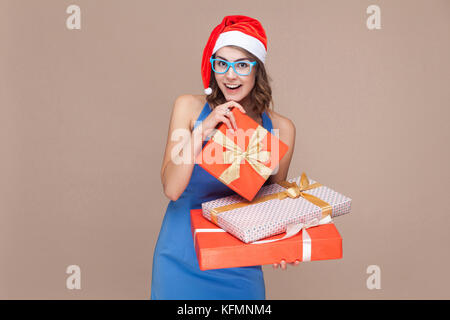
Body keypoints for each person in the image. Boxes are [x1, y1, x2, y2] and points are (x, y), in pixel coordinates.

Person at [151, 15, 297, 300]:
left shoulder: (281, 129)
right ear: (213, 67)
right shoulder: (190, 108)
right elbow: (171, 189)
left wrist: (282, 244)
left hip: (240, 263)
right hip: (180, 258)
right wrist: (202, 132)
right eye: (222, 63)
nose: (230, 75)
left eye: (242, 65)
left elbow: (271, 206)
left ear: (258, 70)